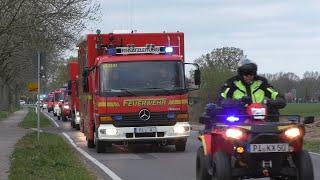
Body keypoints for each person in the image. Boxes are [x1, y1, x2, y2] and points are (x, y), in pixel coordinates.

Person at [218, 57, 286, 120]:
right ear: (241, 74)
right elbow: (222, 98)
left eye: (251, 74)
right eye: (246, 75)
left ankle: (272, 131)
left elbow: (274, 93)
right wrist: (239, 102)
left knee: (273, 109)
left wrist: (278, 100)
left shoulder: (261, 82)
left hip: (261, 116)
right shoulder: (232, 83)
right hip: (239, 117)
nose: (249, 77)